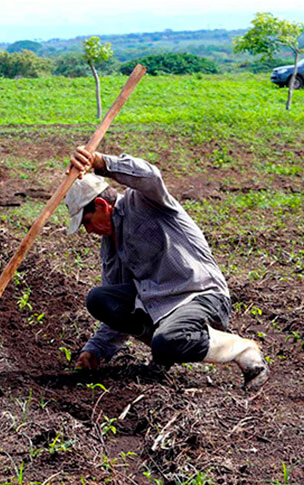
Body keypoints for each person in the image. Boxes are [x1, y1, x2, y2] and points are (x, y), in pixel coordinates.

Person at [64, 146, 269, 390]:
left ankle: (243, 350)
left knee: (168, 340)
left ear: (101, 205)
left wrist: (101, 162)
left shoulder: (144, 201)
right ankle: (166, 346)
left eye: (87, 221)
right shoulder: (110, 248)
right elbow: (118, 311)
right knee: (100, 299)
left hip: (199, 296)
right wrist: (96, 350)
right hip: (160, 309)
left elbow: (151, 176)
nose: (88, 230)